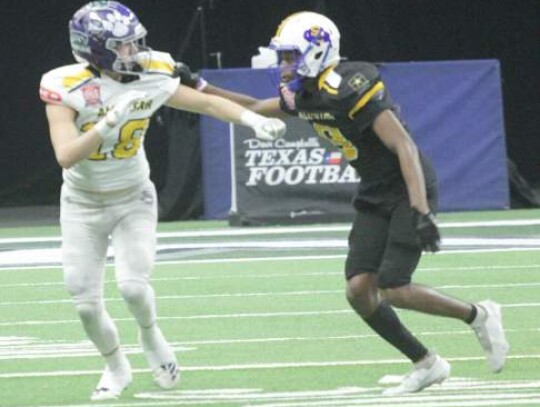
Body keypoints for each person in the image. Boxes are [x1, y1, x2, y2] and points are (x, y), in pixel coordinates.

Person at [190, 11, 510, 395]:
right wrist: (199, 85)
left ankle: (478, 314)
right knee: (359, 289)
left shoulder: (349, 85)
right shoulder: (308, 91)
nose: (284, 65)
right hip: (375, 189)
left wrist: (421, 209)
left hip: (408, 186)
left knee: (393, 286)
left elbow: (403, 145)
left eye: (291, 56)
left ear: (316, 51)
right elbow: (255, 107)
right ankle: (426, 363)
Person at [39, 1, 285, 401]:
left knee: (134, 288)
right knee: (84, 301)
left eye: (135, 42)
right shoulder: (63, 83)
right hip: (82, 202)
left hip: (133, 195)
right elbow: (66, 155)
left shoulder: (152, 71)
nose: (133, 52)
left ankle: (151, 339)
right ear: (94, 49)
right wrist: (107, 123)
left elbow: (204, 102)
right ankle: (117, 366)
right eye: (121, 46)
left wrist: (251, 121)